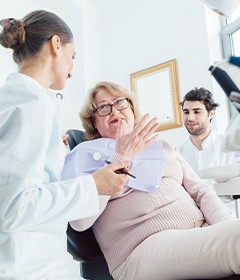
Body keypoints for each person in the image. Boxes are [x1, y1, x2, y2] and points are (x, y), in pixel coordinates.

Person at [0, 11, 158, 279]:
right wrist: (93, 185)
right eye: (73, 56)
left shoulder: (20, 100)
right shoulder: (32, 106)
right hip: (26, 265)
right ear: (56, 44)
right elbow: (13, 208)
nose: (73, 68)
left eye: (120, 103)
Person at [61, 81, 240, 280]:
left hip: (199, 232)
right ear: (94, 121)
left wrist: (224, 228)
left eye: (120, 102)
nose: (114, 111)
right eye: (103, 107)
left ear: (131, 108)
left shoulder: (160, 145)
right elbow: (79, 221)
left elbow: (202, 192)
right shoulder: (82, 154)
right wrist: (122, 156)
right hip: (141, 249)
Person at [179, 87, 235, 173]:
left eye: (197, 112)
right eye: (186, 112)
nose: (190, 118)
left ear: (211, 113)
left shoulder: (228, 148)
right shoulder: (180, 154)